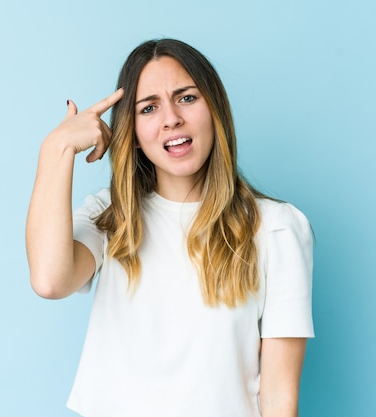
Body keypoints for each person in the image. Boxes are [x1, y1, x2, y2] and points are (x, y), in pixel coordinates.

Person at [25, 39, 314, 417]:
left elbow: (279, 398)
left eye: (187, 98)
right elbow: (49, 280)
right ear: (135, 132)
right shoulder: (110, 217)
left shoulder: (276, 228)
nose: (171, 118)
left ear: (215, 110)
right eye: (149, 107)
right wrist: (56, 148)